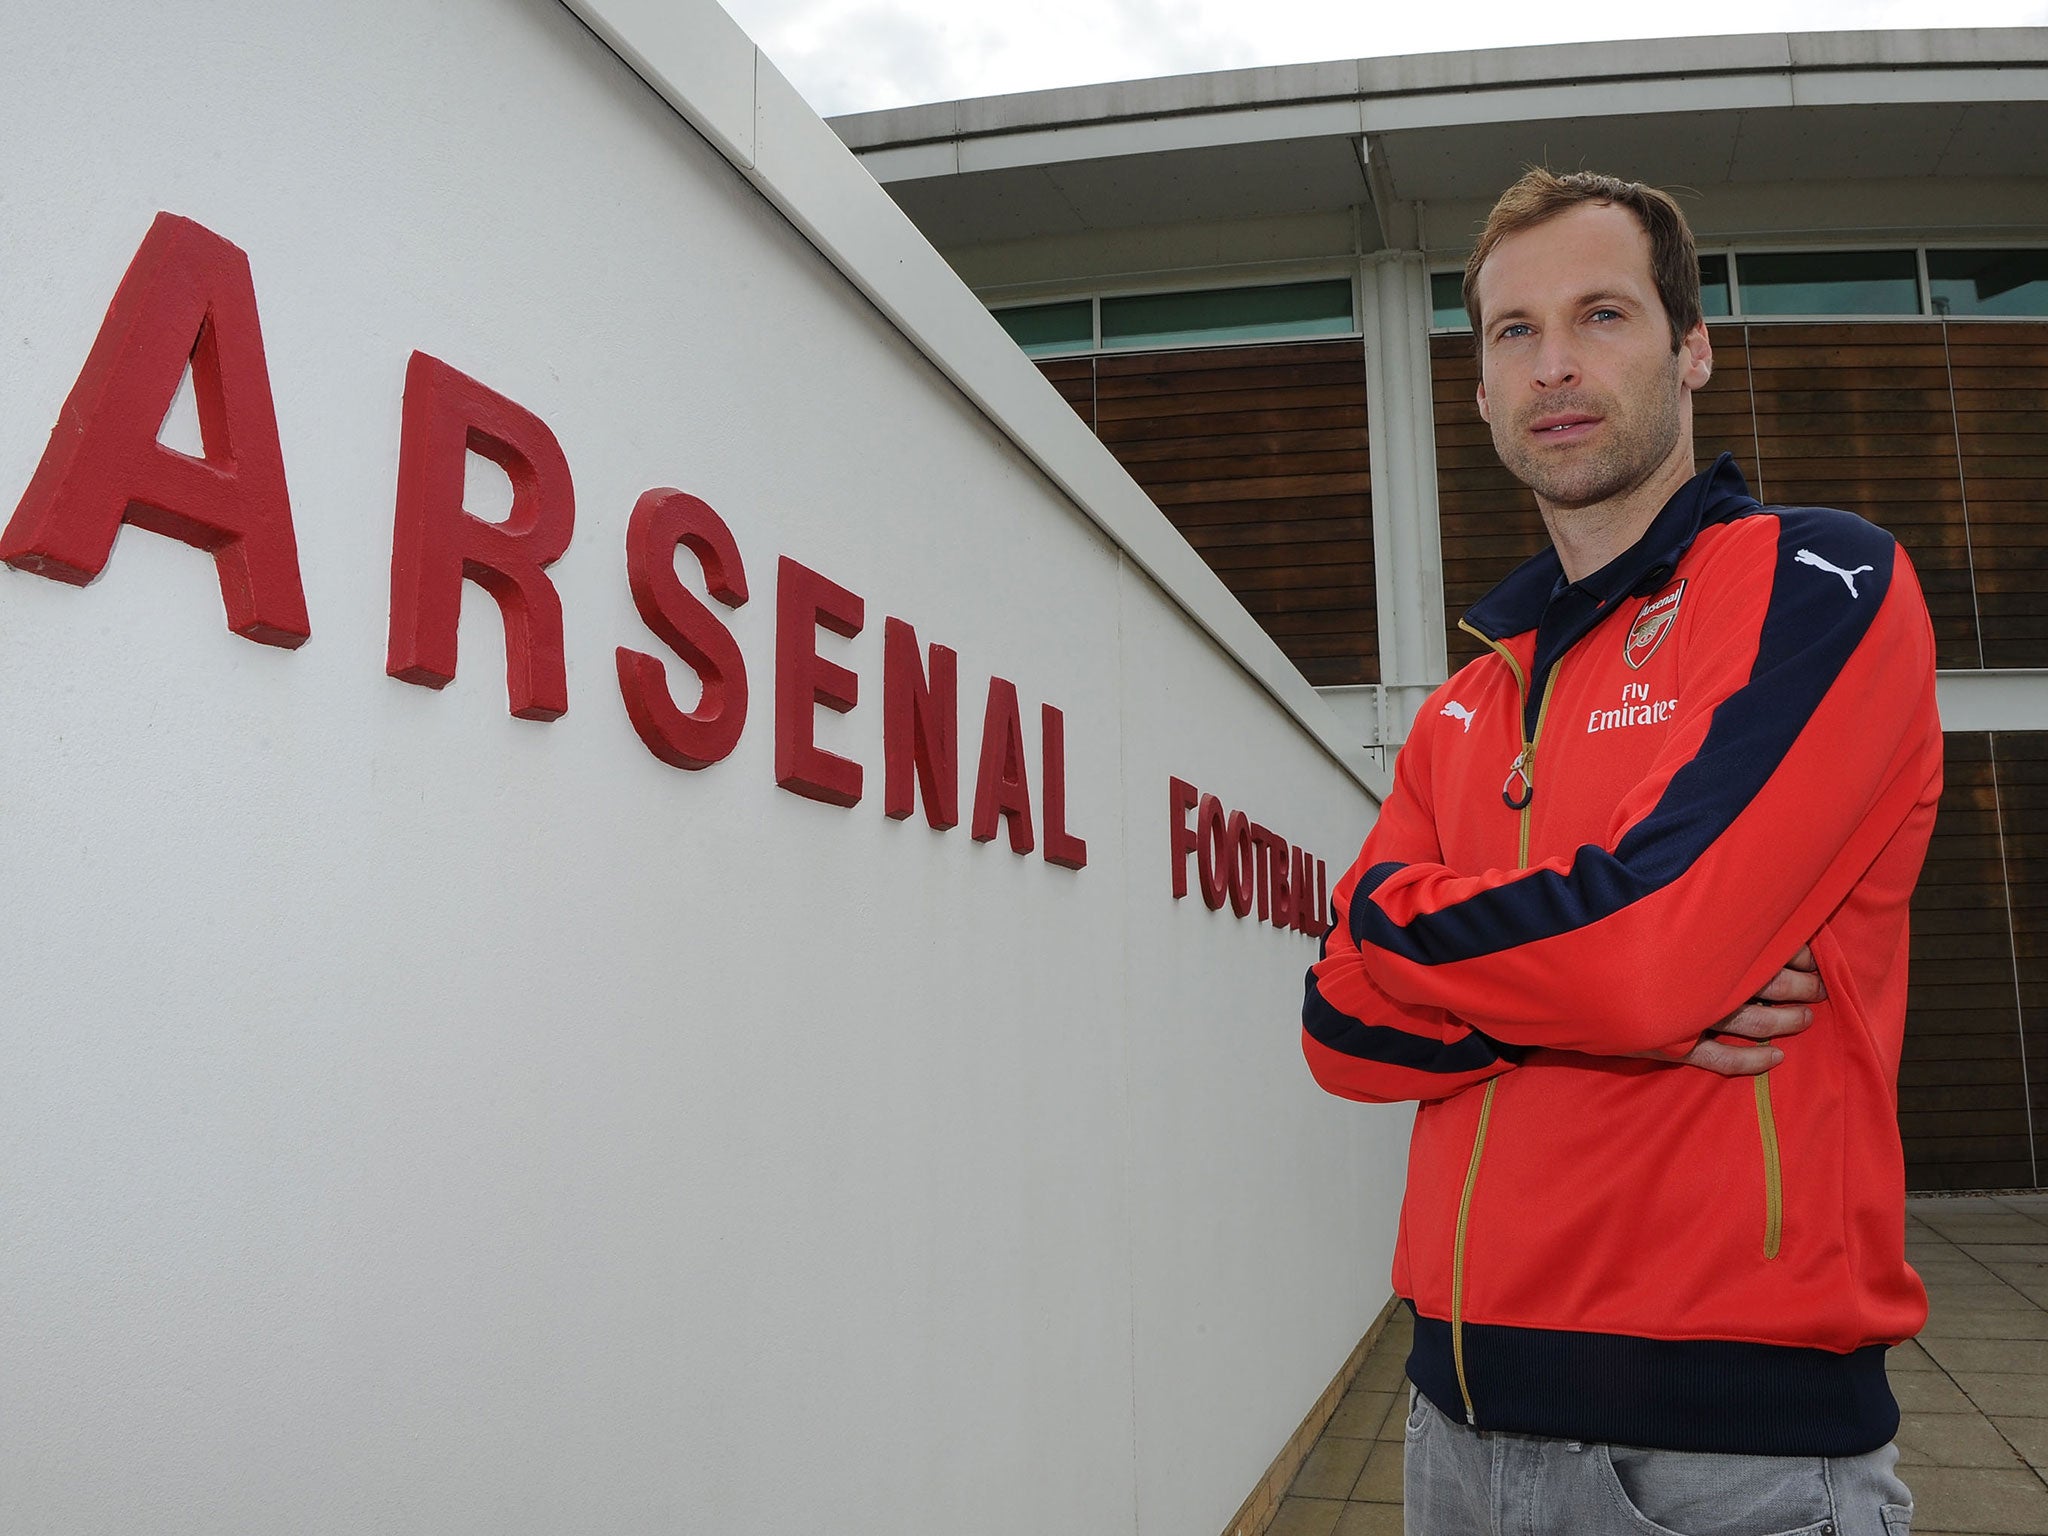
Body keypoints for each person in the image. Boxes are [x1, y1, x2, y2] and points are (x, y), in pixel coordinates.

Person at [1302, 168, 1940, 1536]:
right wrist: (1585, 1001)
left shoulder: (1822, 583)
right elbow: (1333, 1022)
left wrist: (1418, 938)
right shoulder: (1468, 701)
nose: (1556, 365)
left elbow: (1651, 949)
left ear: (1691, 345)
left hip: (1731, 1458)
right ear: (1478, 389)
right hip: (1454, 1431)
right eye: (1515, 333)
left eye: (1601, 314)